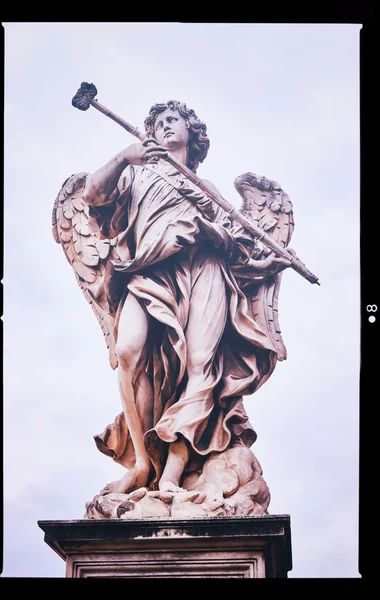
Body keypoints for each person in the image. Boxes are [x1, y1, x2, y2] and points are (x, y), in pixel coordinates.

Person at [82, 100, 291, 494]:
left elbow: (239, 247)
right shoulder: (138, 174)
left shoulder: (206, 190)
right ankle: (143, 465)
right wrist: (125, 157)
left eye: (172, 120)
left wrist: (256, 254)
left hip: (204, 272)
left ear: (191, 134)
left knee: (200, 366)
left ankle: (174, 473)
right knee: (128, 352)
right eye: (158, 122)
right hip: (148, 272)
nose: (164, 126)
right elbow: (93, 194)